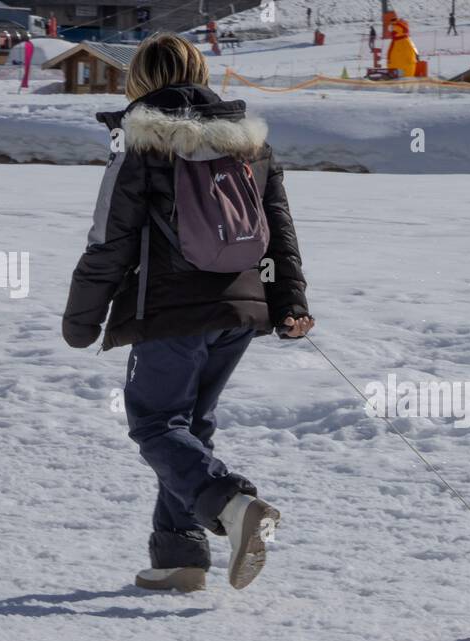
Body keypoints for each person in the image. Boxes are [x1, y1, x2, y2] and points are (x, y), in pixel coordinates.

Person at [63, 33, 314, 593]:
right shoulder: (249, 143)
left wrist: (82, 318)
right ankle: (180, 557)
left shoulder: (142, 143)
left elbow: (110, 240)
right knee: (188, 431)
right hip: (240, 310)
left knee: (155, 423)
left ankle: (231, 501)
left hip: (169, 310)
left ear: (140, 81)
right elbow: (279, 232)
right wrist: (289, 304)